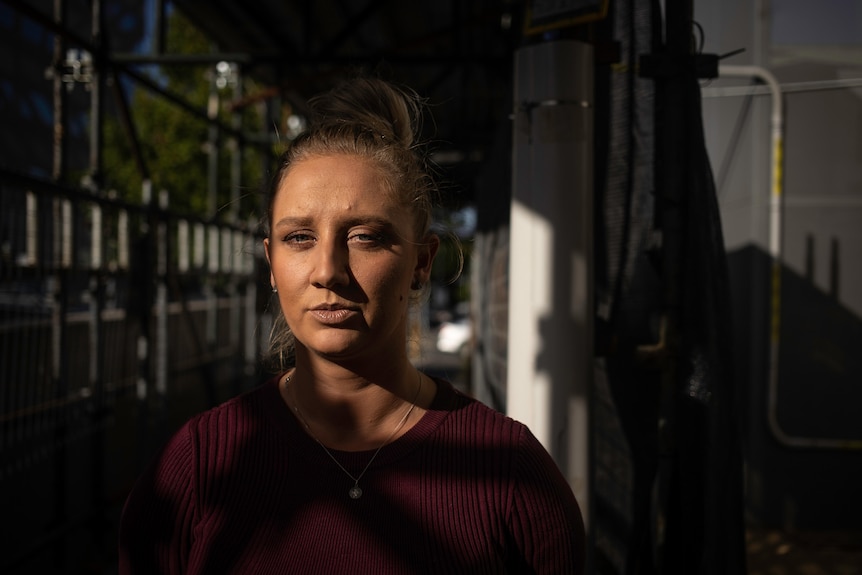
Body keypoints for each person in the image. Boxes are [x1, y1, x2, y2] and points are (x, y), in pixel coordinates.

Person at [118, 76, 585, 574]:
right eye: (299, 237)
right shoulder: (196, 468)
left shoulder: (511, 476)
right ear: (272, 265)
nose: (327, 272)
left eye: (365, 236)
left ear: (422, 262)